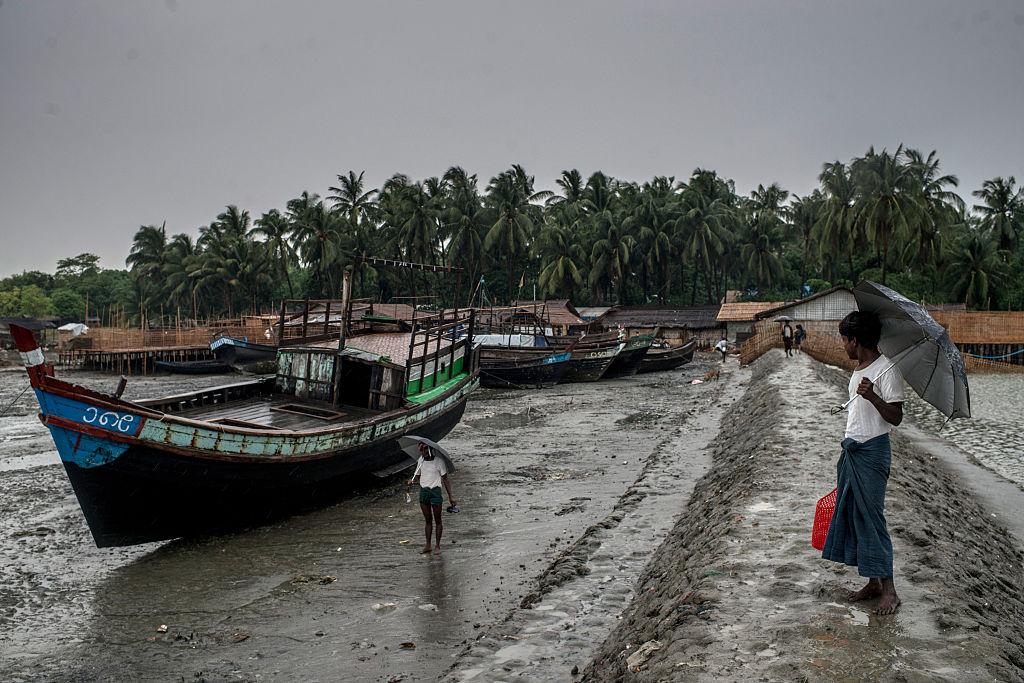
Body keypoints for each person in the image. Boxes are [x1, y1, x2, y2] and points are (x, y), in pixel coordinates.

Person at [821, 311, 905, 615]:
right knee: (857, 516)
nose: (843, 345)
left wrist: (873, 398)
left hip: (873, 452)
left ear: (855, 340)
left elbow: (896, 417)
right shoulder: (860, 370)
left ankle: (891, 591)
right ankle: (873, 582)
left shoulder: (888, 370)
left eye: (845, 339)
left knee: (872, 519)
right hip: (852, 451)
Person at [408, 442, 457, 554]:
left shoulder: (439, 462)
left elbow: (445, 479)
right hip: (424, 491)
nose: (423, 452)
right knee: (428, 520)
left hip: (435, 491)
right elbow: (418, 475)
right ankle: (428, 545)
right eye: (421, 450)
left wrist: (451, 496)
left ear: (430, 450)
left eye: (425, 450)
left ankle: (437, 546)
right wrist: (412, 481)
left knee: (438, 520)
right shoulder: (421, 461)